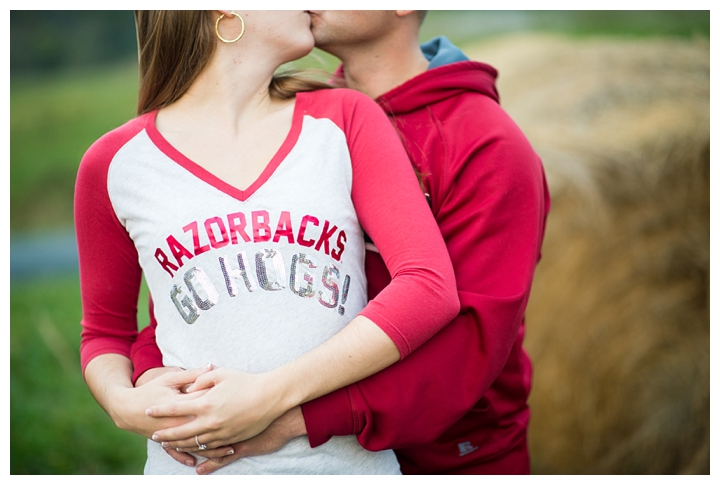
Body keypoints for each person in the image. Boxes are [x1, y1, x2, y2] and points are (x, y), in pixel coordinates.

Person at [133, 10, 550, 475]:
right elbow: (207, 281)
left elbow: (467, 348)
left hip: (448, 458)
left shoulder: (488, 145)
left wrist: (293, 419)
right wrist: (156, 378)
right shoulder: (293, 119)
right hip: (311, 458)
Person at [74, 10, 461, 475]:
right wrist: (123, 403)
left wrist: (271, 395)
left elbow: (428, 286)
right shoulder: (115, 162)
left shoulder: (344, 118)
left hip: (345, 468)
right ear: (225, 13)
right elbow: (104, 333)